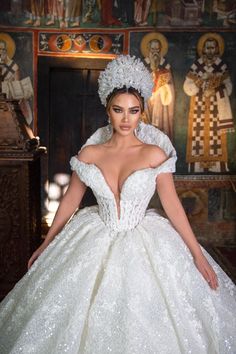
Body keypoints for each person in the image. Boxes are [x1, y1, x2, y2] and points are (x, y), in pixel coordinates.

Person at [0, 55, 235, 353]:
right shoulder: (91, 154)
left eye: (134, 111)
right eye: (119, 110)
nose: (126, 119)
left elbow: (173, 206)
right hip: (95, 234)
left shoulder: (153, 154)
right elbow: (71, 199)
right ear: (107, 111)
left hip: (145, 238)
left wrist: (197, 254)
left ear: (142, 112)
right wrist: (47, 243)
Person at [183, 33, 234, 173]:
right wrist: (200, 82)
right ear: (203, 49)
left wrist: (216, 88)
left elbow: (228, 87)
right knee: (197, 135)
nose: (210, 50)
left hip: (217, 108)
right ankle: (197, 166)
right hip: (198, 107)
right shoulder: (197, 65)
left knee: (216, 134)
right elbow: (187, 87)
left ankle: (217, 166)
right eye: (207, 48)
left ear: (217, 49)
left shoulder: (221, 65)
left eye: (213, 47)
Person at [142, 33, 175, 141]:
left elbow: (170, 84)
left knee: (158, 127)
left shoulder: (165, 64)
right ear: (148, 49)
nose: (155, 52)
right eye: (152, 49)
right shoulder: (142, 64)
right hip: (146, 101)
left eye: (157, 49)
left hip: (160, 103)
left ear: (160, 49)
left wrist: (163, 88)